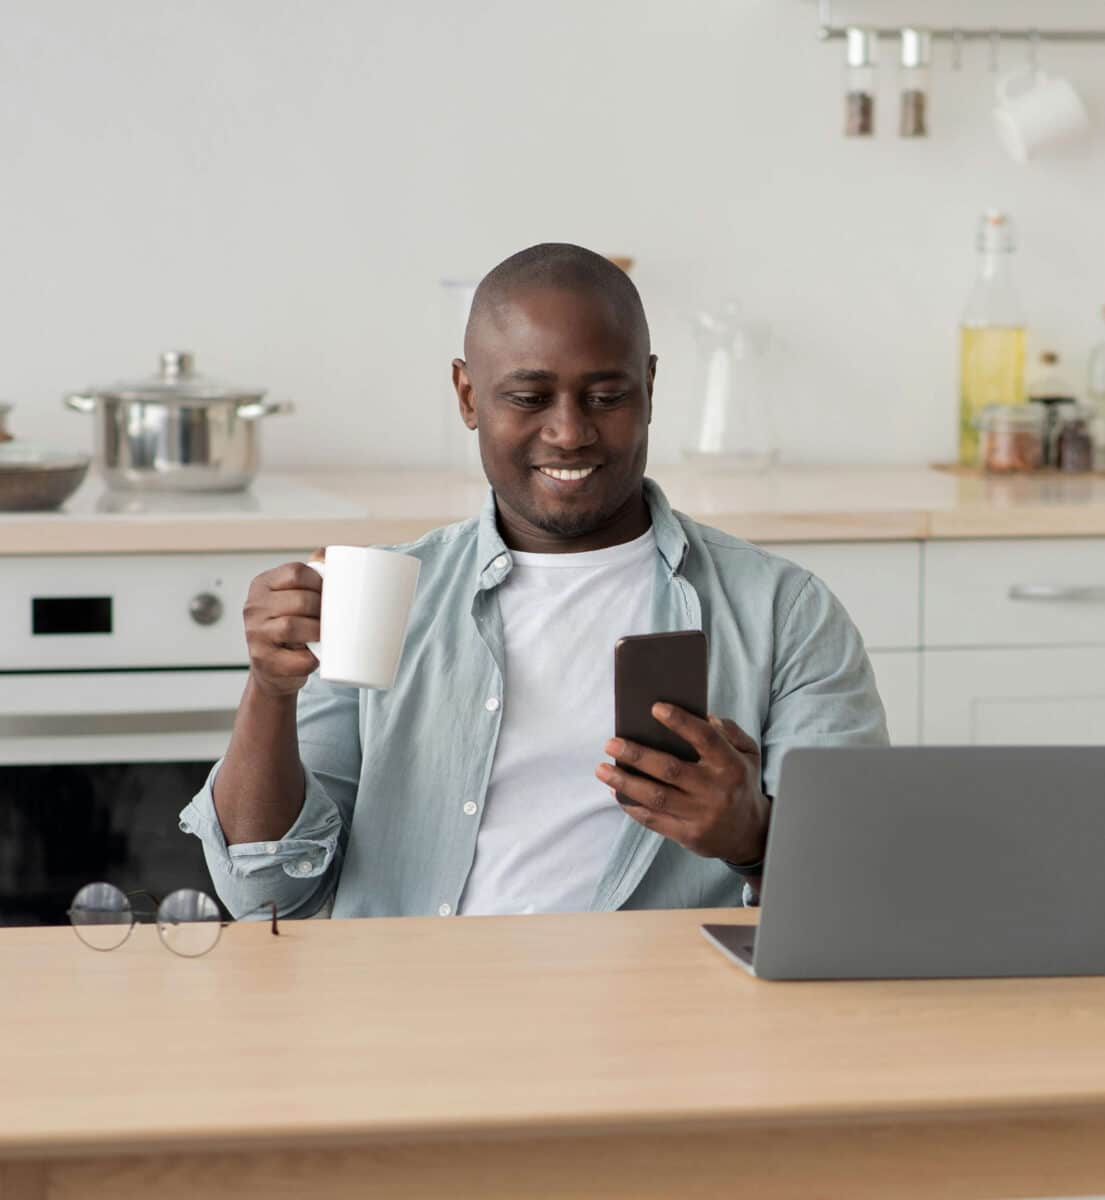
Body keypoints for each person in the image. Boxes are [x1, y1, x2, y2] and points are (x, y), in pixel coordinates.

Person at [180, 243, 888, 919]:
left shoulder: (781, 612)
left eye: (607, 396)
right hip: (416, 1014)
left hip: (666, 1026)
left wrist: (752, 837)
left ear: (649, 386)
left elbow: (861, 892)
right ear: (467, 395)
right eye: (527, 398)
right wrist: (270, 691)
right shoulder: (388, 598)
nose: (569, 432)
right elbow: (266, 892)